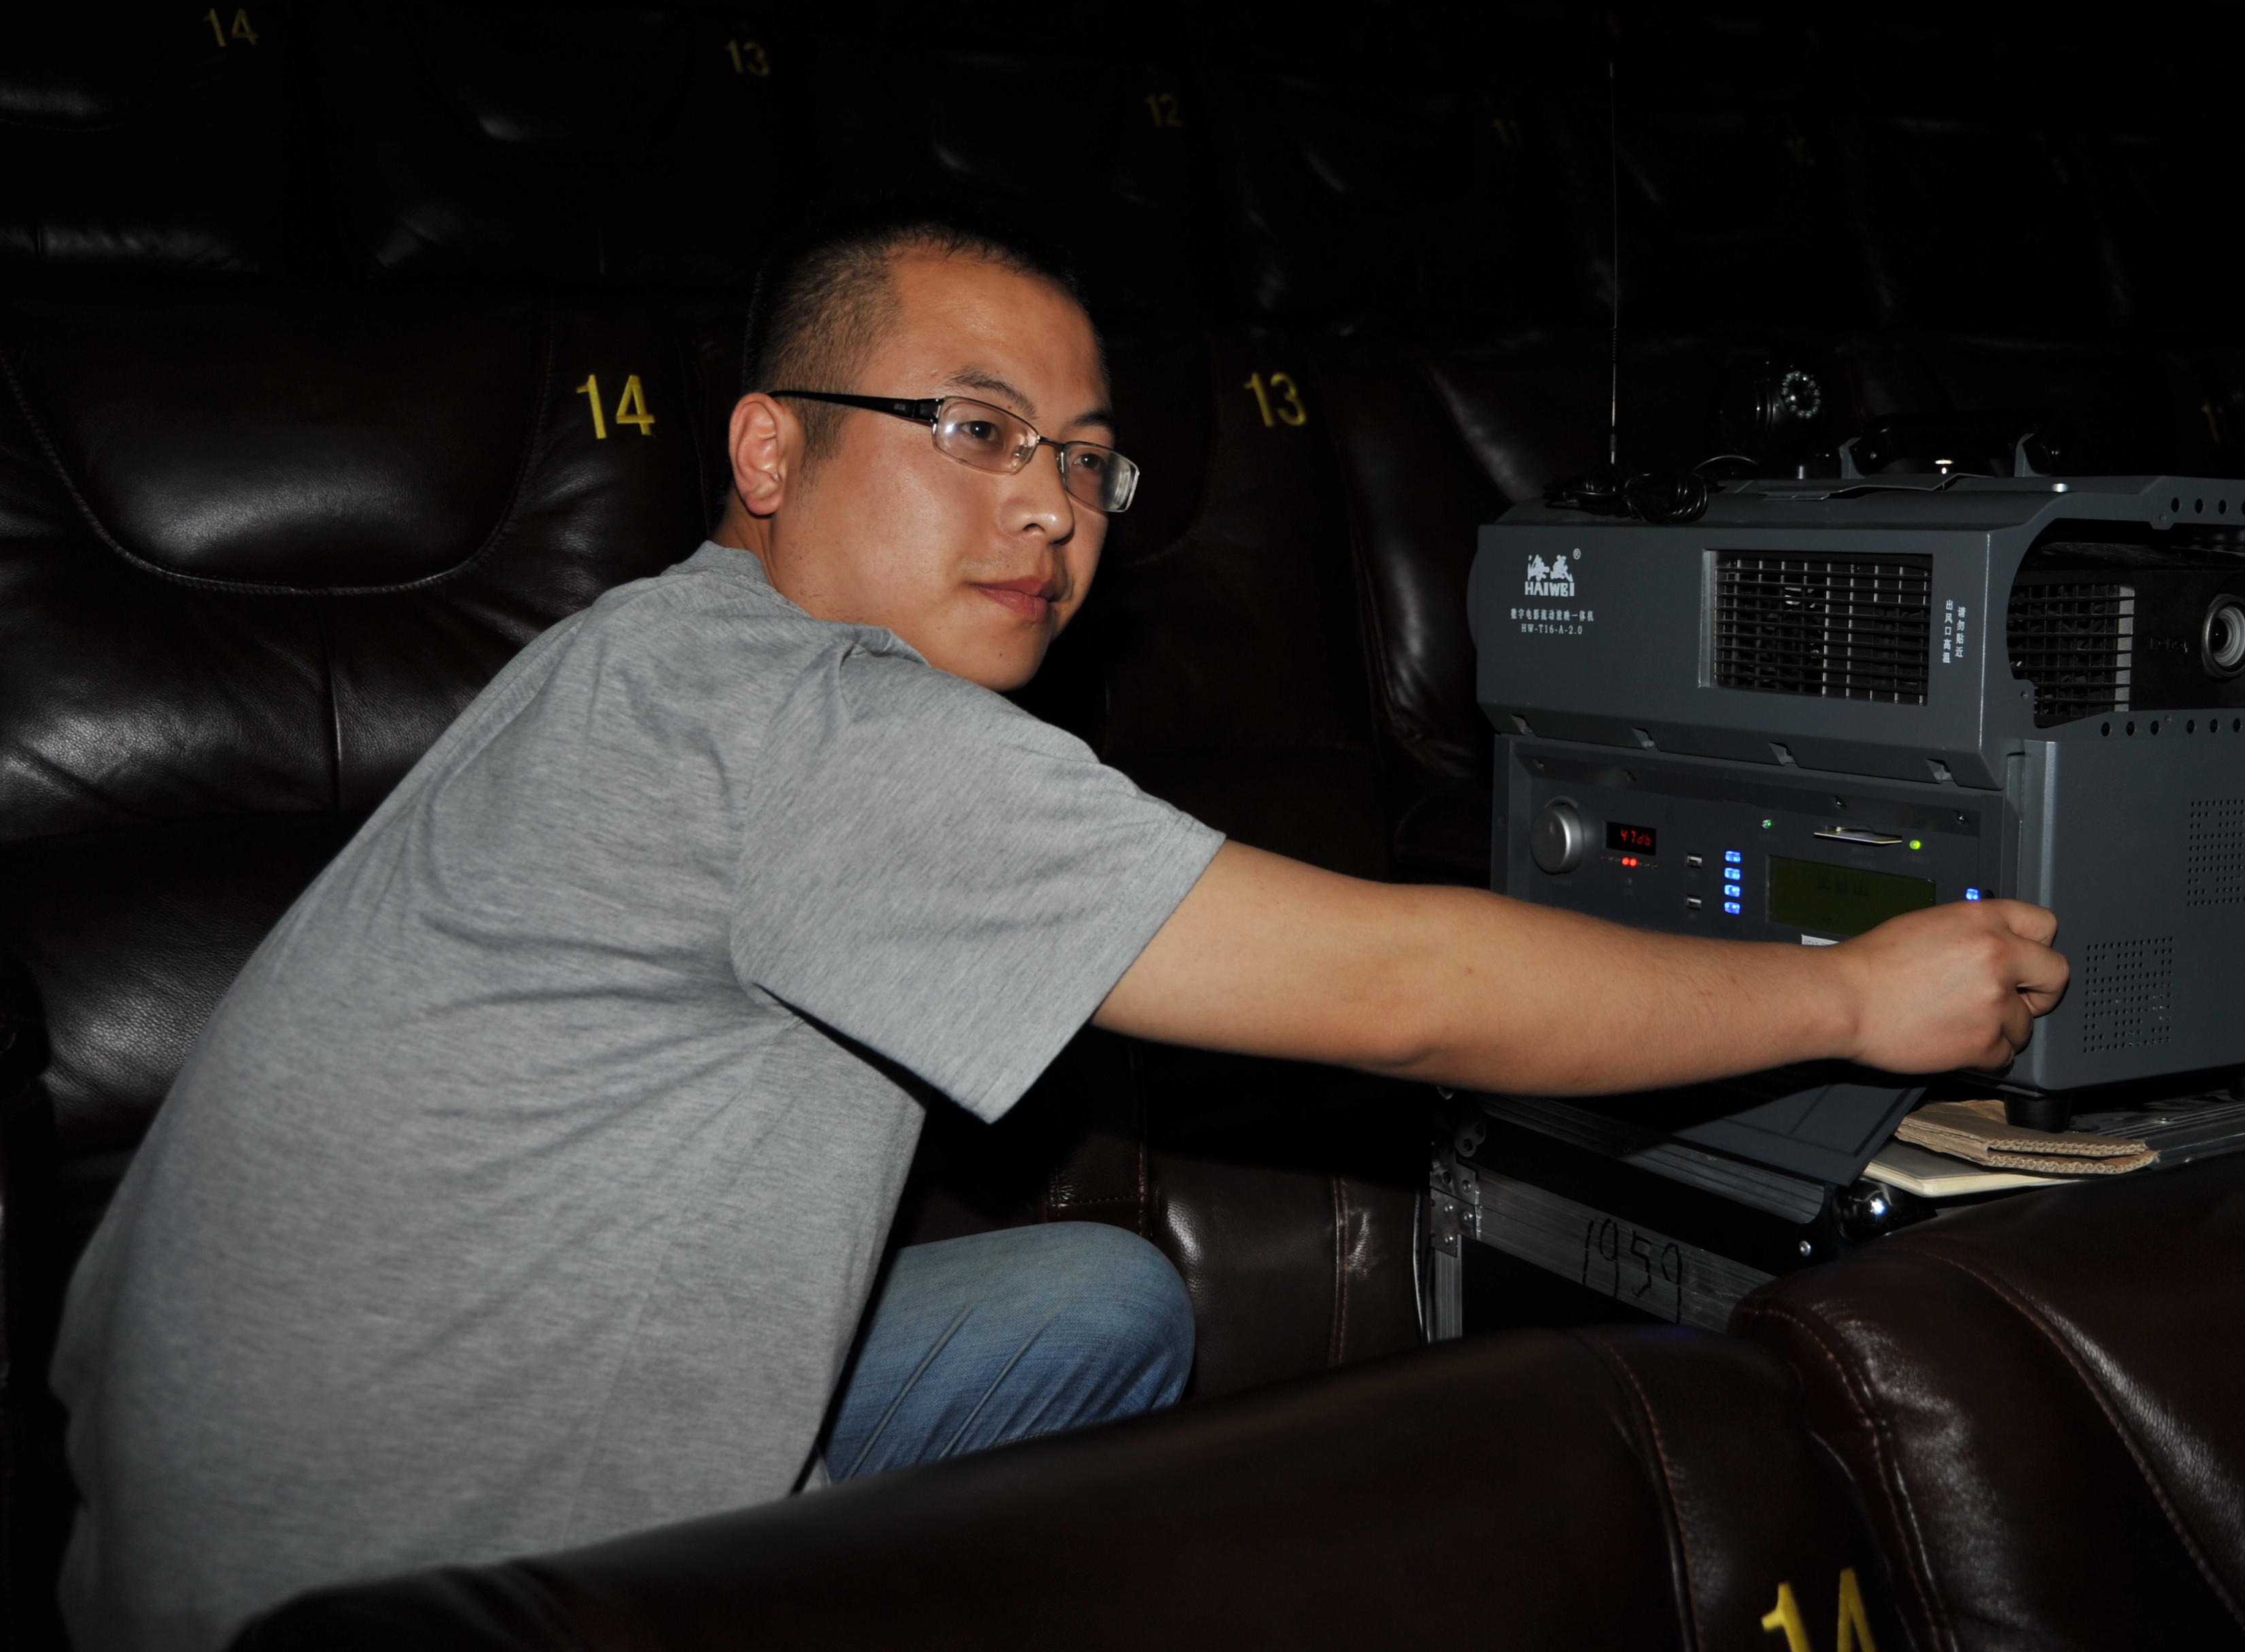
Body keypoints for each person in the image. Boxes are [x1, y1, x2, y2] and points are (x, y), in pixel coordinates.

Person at [52, 203, 2068, 1651]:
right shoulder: (811, 722)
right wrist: (1855, 991)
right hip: (365, 1588)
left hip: (200, 1499)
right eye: (977, 428)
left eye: (1090, 462)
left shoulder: (639, 650)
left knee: (1099, 1306)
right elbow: (1394, 987)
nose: (1055, 510)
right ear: (770, 449)